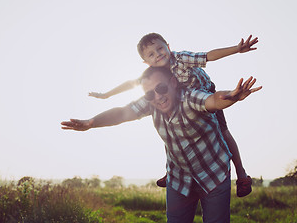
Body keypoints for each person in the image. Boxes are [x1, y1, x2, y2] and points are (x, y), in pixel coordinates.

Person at [62, 66, 262, 222]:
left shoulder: (190, 96)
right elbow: (121, 113)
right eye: (150, 94)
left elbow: (212, 101)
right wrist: (91, 123)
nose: (157, 96)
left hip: (213, 174)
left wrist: (232, 97)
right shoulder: (151, 103)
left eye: (161, 88)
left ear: (173, 83)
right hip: (179, 179)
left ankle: (241, 174)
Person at [89, 33, 258, 197]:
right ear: (145, 62)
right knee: (170, 129)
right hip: (179, 100)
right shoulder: (153, 75)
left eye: (160, 49)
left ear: (168, 47)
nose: (158, 55)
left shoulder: (181, 58)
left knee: (223, 132)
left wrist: (237, 49)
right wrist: (107, 95)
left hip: (205, 96)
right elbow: (131, 83)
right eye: (151, 54)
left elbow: (208, 56)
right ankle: (172, 171)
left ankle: (242, 174)